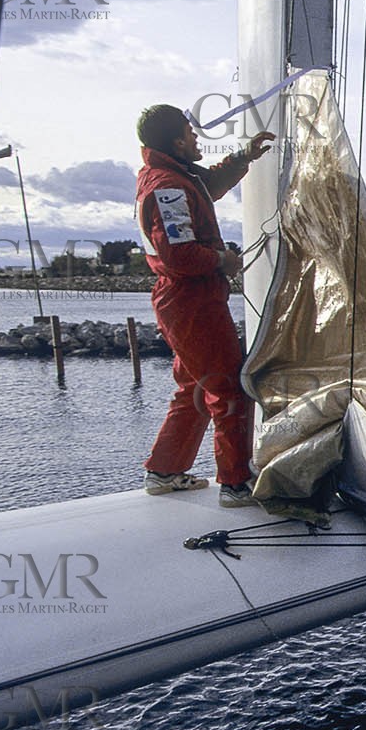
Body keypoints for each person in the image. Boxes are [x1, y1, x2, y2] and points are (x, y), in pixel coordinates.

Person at [134, 104, 274, 507]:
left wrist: (244, 156)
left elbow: (209, 185)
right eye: (191, 133)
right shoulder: (168, 186)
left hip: (183, 301)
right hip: (191, 300)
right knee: (229, 386)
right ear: (178, 141)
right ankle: (235, 483)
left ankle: (164, 471)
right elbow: (180, 256)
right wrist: (223, 261)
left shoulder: (169, 176)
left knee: (194, 387)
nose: (197, 138)